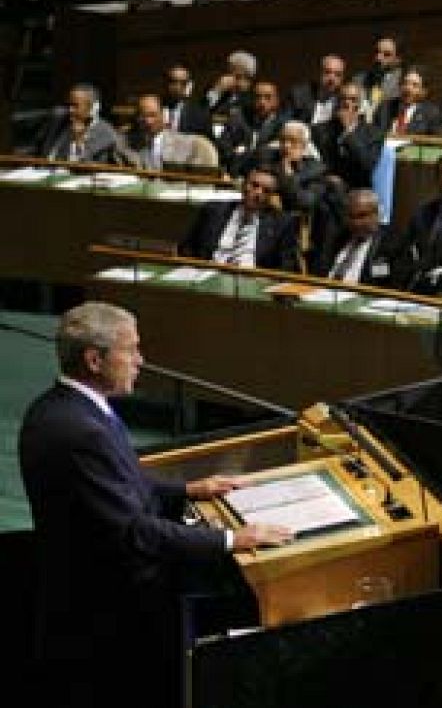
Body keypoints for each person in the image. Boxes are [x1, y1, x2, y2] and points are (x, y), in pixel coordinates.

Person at [19, 303, 292, 708]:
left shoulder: (64, 406)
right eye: (131, 350)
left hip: (88, 582)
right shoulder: (80, 430)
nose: (141, 361)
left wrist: (188, 490)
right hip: (112, 607)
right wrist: (234, 538)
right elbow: (134, 532)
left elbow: (122, 480)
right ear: (94, 360)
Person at [179, 167, 302, 270]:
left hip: (252, 280)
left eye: (266, 191)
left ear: (271, 197)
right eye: (254, 185)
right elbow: (187, 247)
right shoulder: (214, 210)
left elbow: (288, 266)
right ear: (243, 185)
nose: (258, 193)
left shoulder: (282, 224)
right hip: (210, 272)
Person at [119, 93, 210, 171]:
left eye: (153, 115)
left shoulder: (189, 145)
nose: (148, 121)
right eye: (143, 116)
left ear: (163, 115)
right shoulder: (125, 144)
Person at [39, 82, 120, 163]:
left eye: (75, 106)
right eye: (69, 105)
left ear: (93, 108)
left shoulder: (105, 134)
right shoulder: (59, 120)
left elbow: (83, 166)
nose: (70, 110)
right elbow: (36, 149)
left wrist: (78, 140)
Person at [374, 66, 442, 137]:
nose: (408, 88)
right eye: (405, 83)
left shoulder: (432, 114)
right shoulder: (385, 107)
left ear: (424, 91)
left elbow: (438, 144)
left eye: (415, 85)